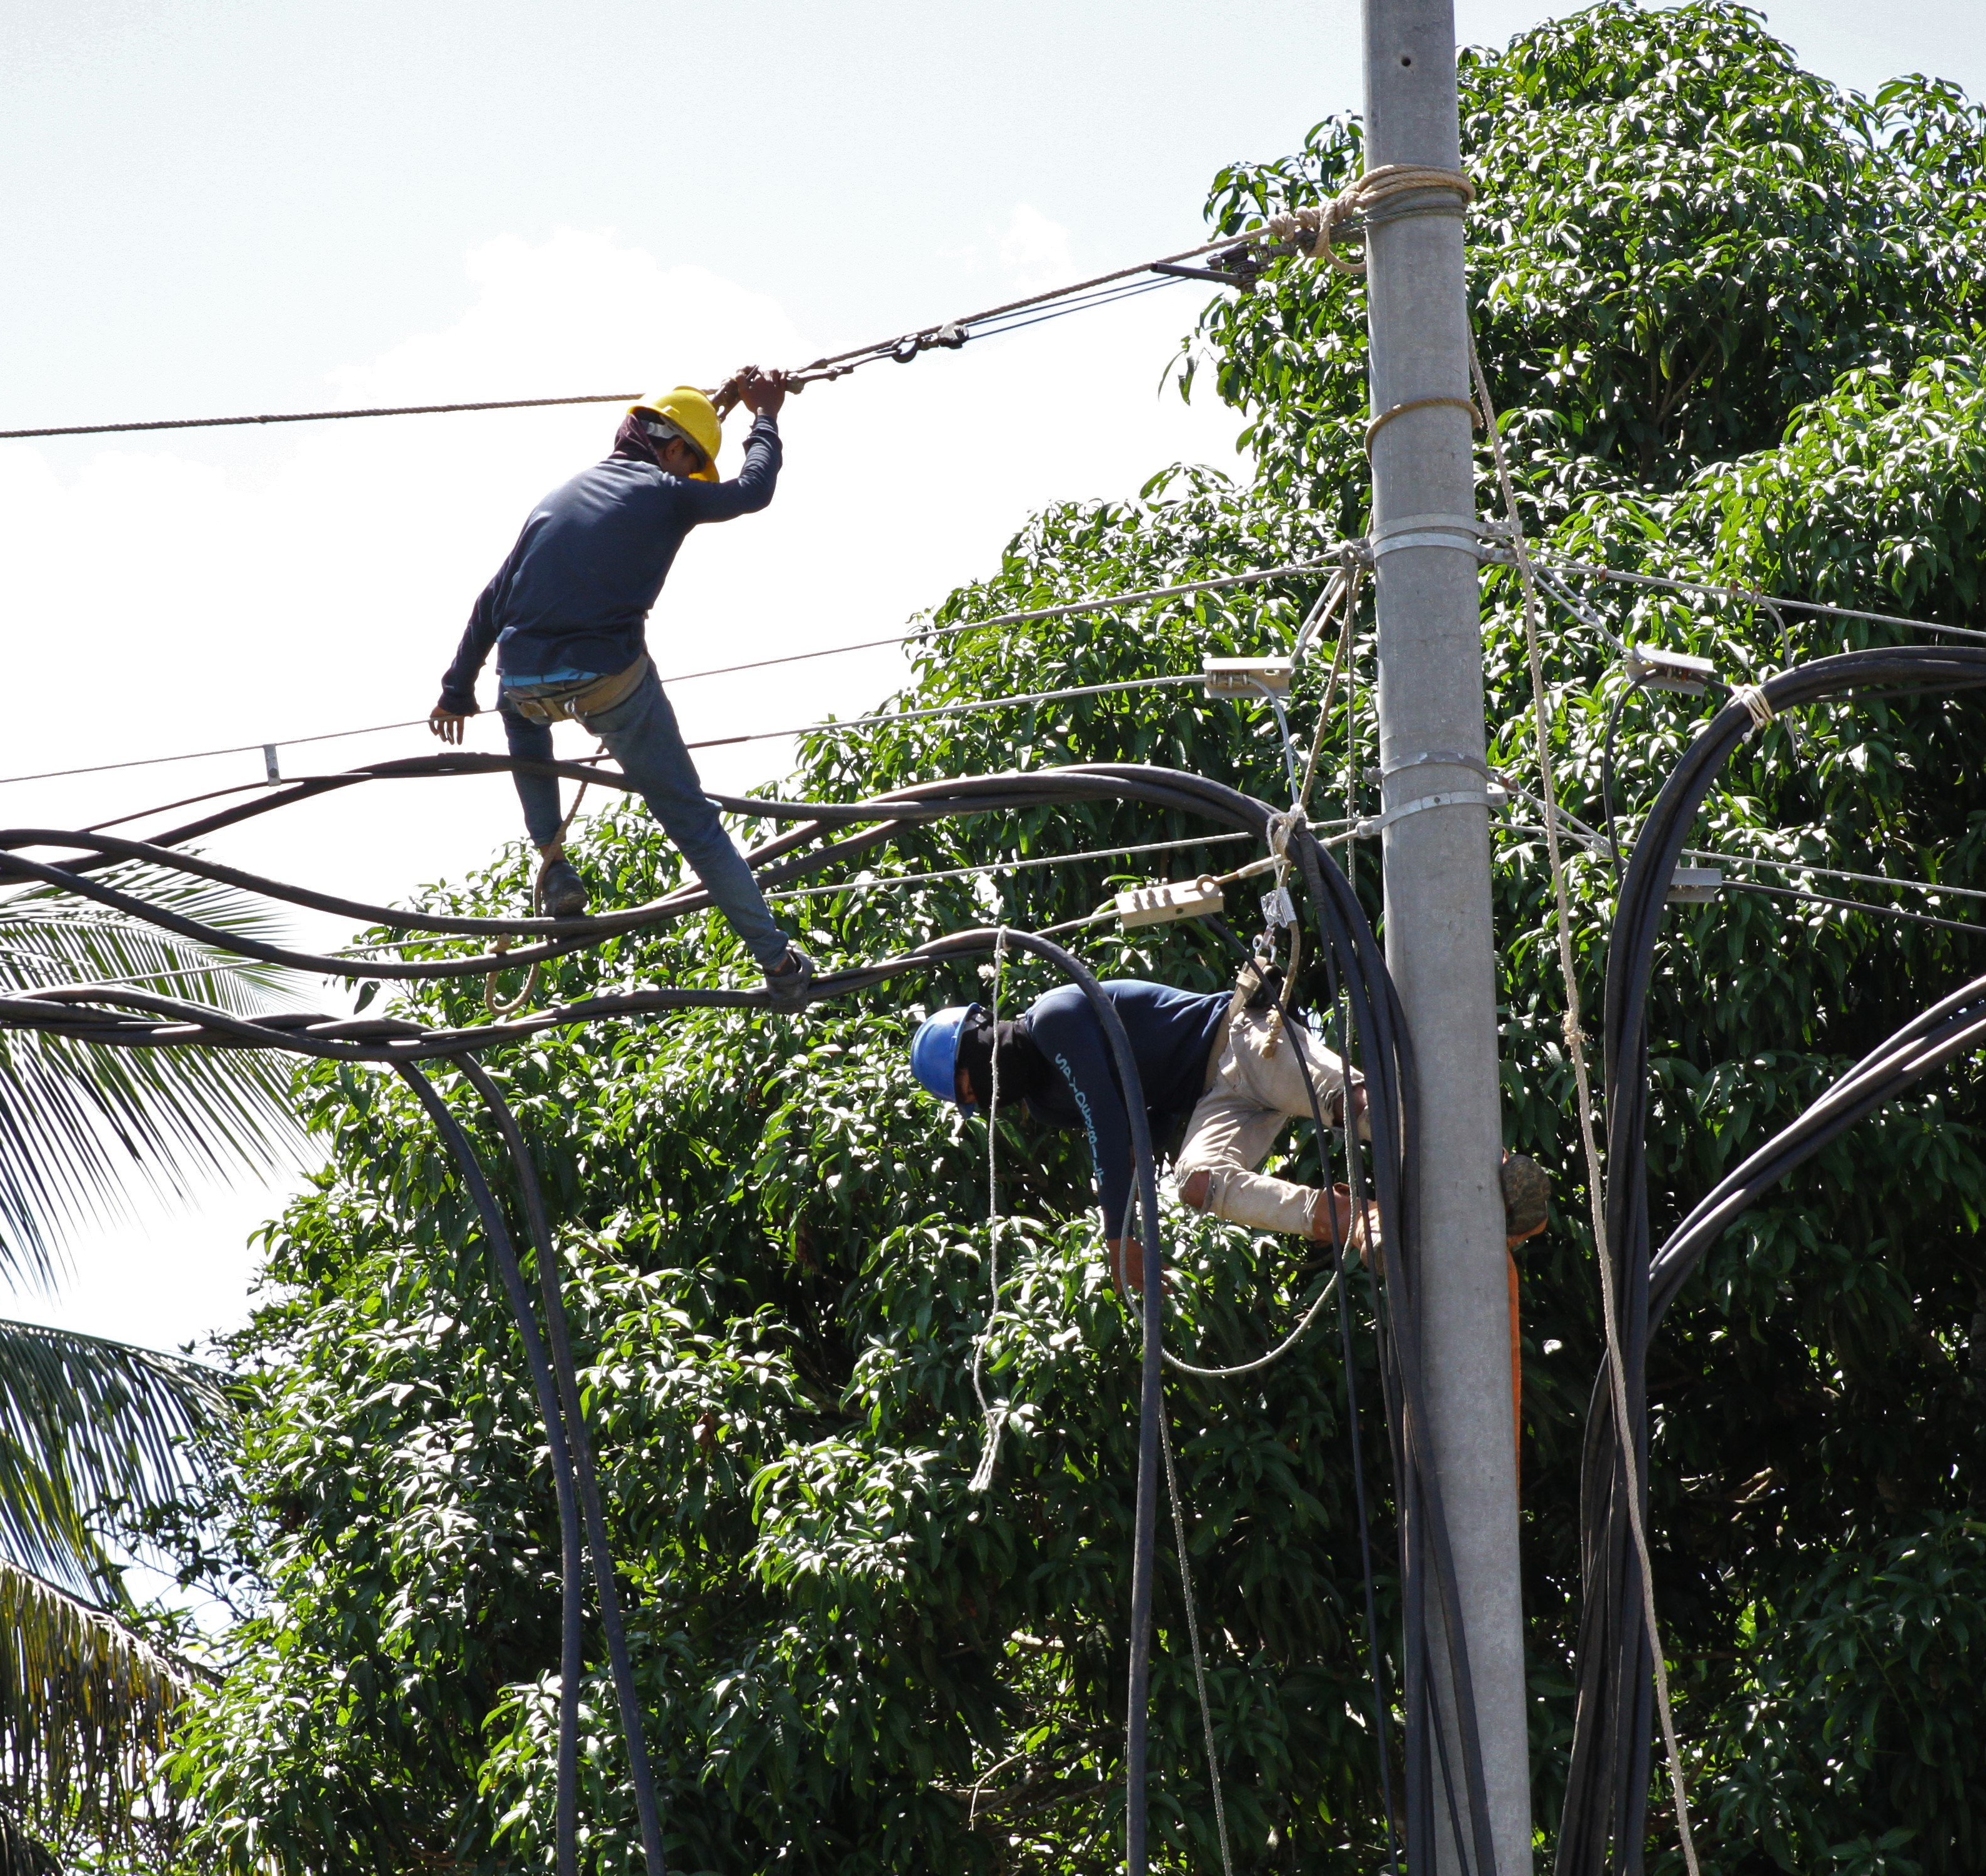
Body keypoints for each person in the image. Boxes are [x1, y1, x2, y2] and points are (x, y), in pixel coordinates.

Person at [429, 369, 816, 1010]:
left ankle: (554, 867)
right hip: (610, 679)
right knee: (693, 823)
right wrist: (766, 416)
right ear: (672, 450)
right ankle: (779, 962)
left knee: (522, 724)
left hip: (522, 680)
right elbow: (753, 491)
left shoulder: (556, 498)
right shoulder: (667, 493)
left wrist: (455, 690)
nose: (690, 478)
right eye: (690, 464)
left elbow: (492, 601)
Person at [910, 944, 1549, 1296]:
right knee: (1197, 1183)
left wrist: (1118, 1236)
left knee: (1350, 1106)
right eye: (974, 1097)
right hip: (1215, 1100)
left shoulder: (1053, 1019)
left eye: (975, 1075)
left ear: (984, 1038)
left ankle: (1491, 1174)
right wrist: (1137, 1231)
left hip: (1242, 1042)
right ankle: (1357, 1221)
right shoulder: (1046, 1102)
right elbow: (1140, 1138)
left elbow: (1111, 1123)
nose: (987, 1093)